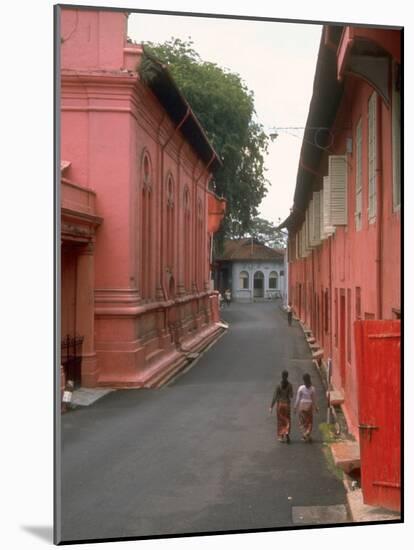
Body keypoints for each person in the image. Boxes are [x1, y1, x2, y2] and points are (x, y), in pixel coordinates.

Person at [269, 370, 293, 443]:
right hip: (287, 405)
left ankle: (281, 436)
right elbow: (291, 396)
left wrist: (271, 406)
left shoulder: (278, 385)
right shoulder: (290, 385)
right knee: (287, 419)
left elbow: (275, 397)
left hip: (280, 405)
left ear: (282, 376)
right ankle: (287, 432)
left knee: (280, 420)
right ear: (287, 376)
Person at [294, 373, 319, 442]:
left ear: (303, 380)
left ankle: (305, 434)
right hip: (309, 405)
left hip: (302, 405)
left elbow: (298, 398)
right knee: (309, 421)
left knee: (302, 421)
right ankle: (307, 433)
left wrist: (295, 407)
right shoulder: (312, 388)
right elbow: (314, 399)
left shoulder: (301, 388)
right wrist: (316, 407)